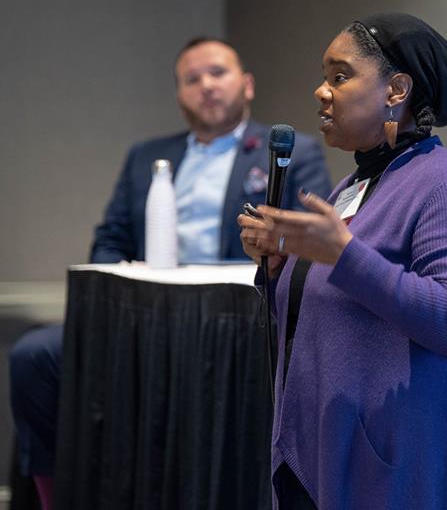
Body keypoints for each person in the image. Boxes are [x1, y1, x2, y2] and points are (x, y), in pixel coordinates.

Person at [8, 37, 332, 509]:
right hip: (143, 315)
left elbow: (305, 249)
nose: (206, 86)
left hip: (235, 320)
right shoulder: (146, 156)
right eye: (191, 79)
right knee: (33, 357)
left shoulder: (290, 151)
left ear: (246, 85)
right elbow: (110, 238)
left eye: (217, 73)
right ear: (179, 94)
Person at [238, 13, 447, 509]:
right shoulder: (353, 188)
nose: (322, 91)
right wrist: (278, 274)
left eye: (340, 76)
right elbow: (326, 318)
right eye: (324, 77)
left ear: (396, 90)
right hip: (321, 456)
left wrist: (344, 255)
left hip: (405, 469)